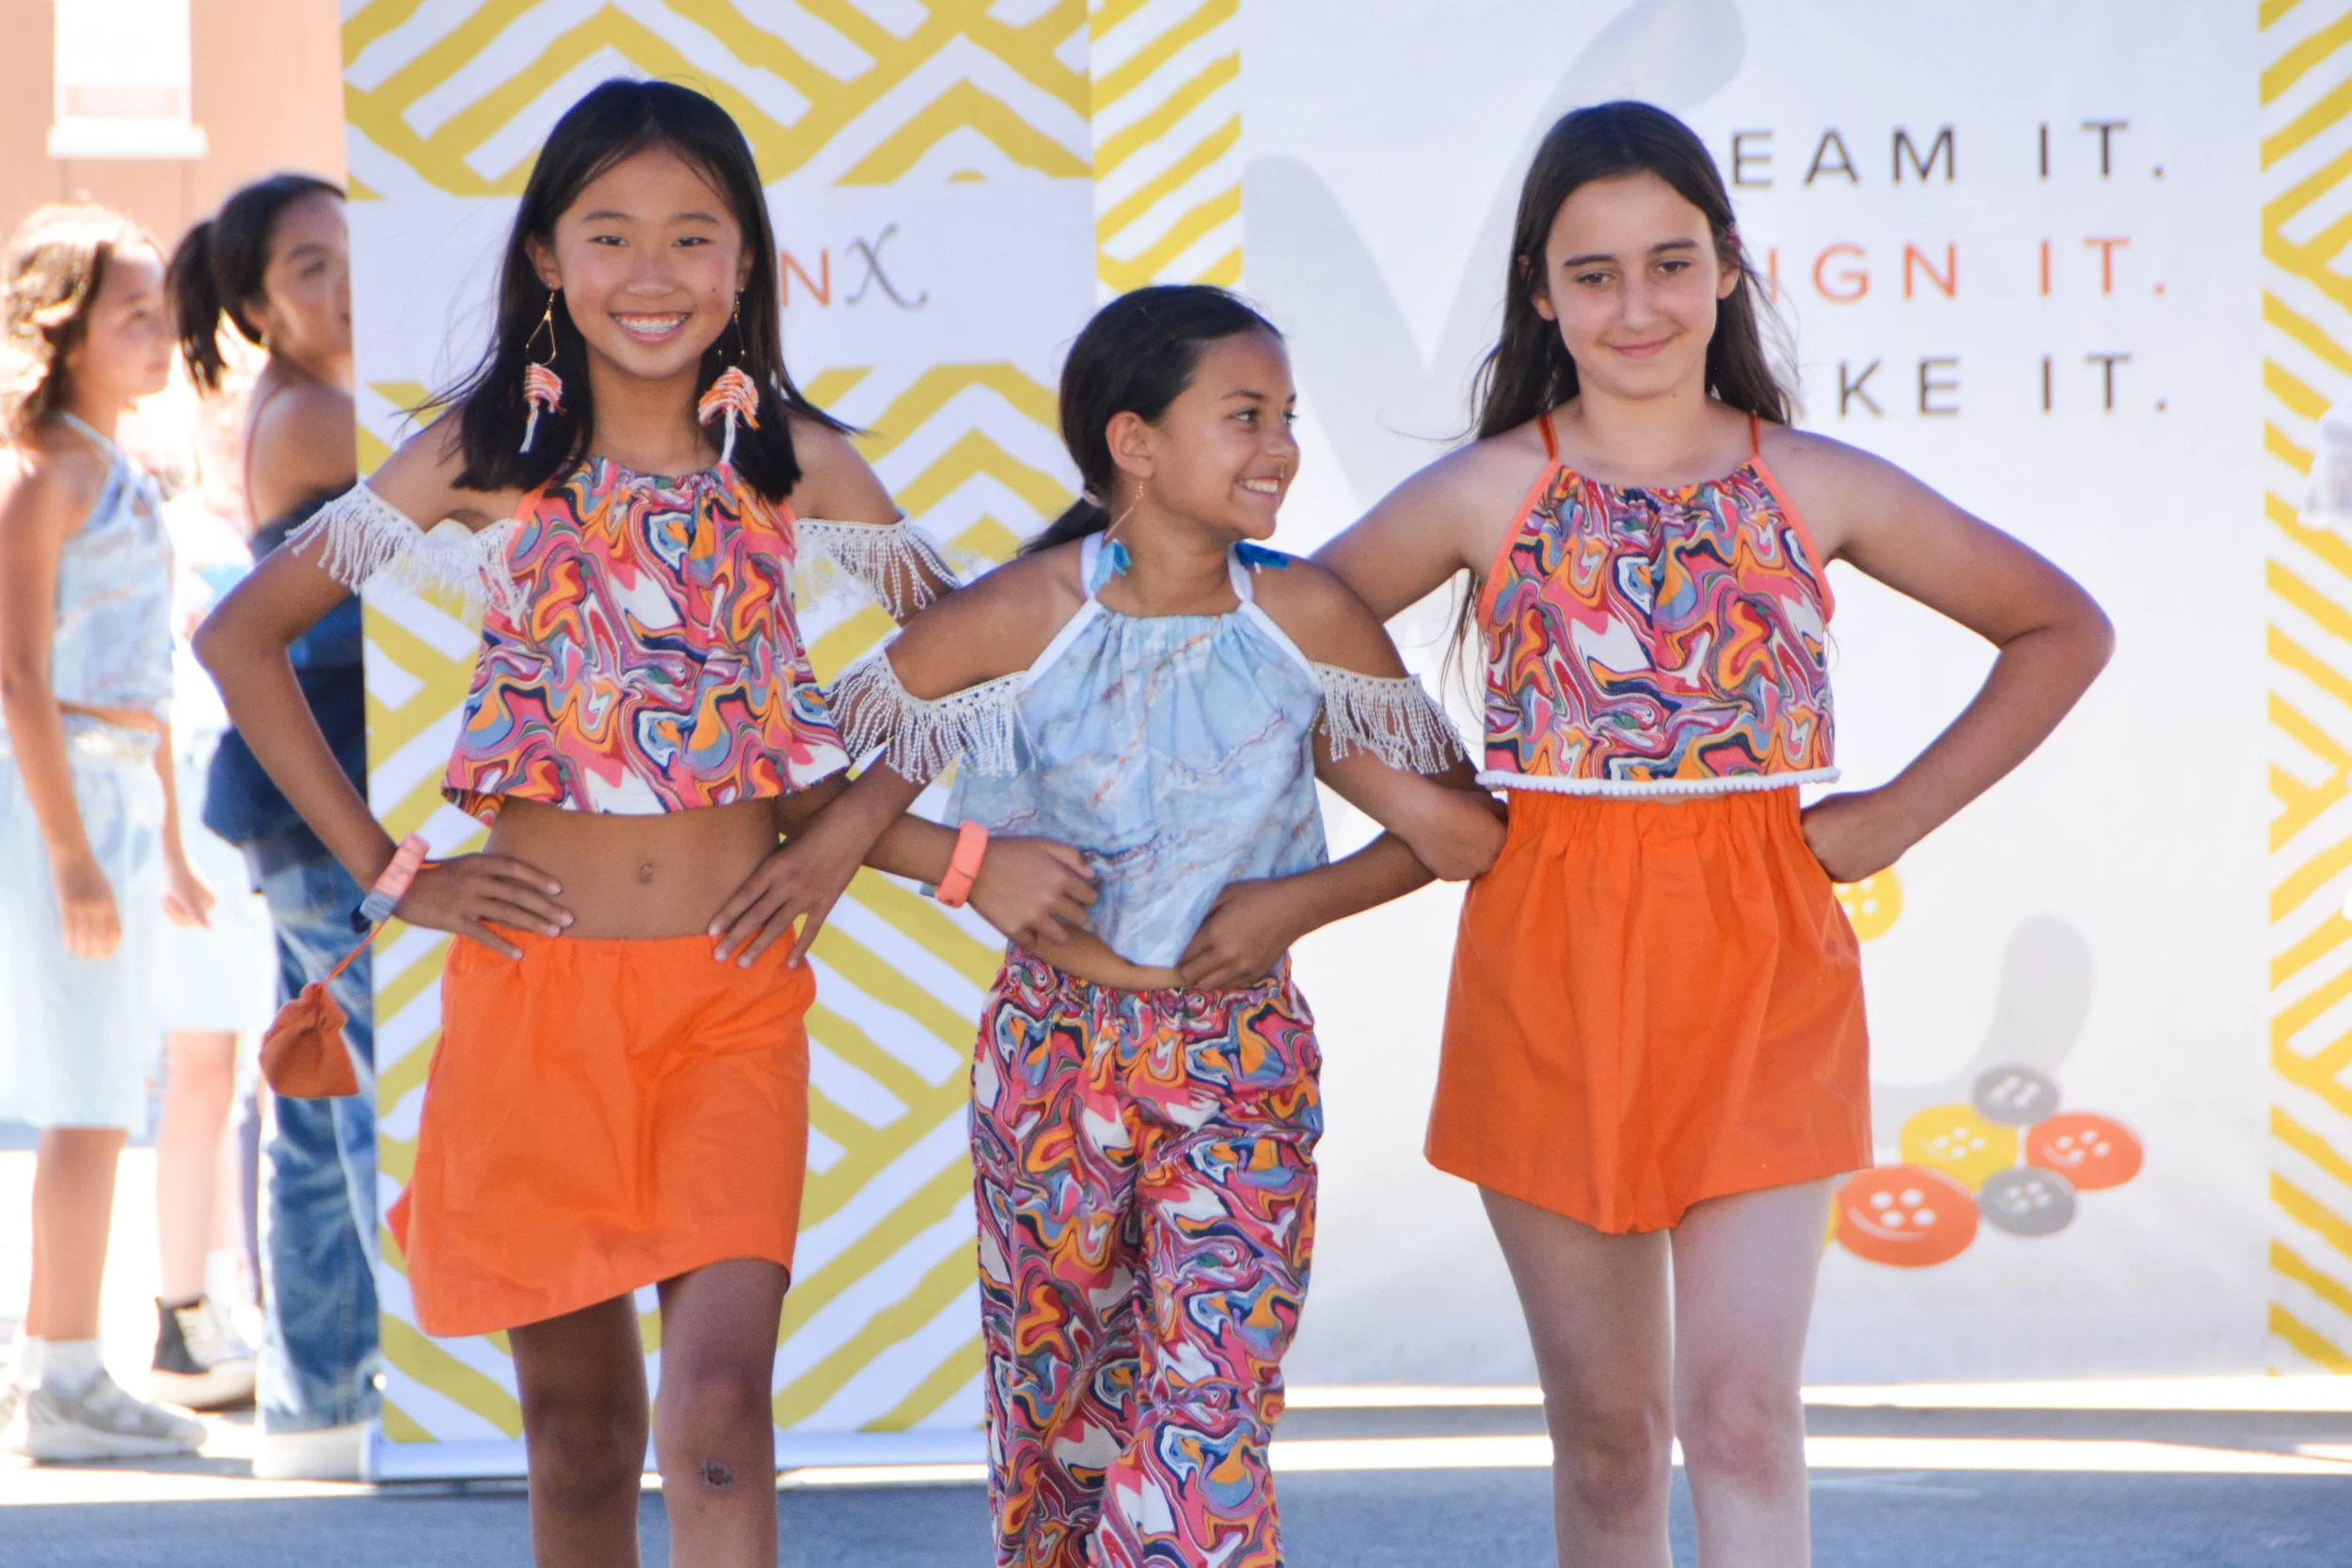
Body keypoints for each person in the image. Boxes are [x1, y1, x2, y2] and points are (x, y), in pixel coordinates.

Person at [196, 79, 1089, 1567]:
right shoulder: (480, 457)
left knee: (722, 1414)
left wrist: (842, 839)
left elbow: (972, 652)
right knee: (581, 1437)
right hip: (532, 1003)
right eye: (609, 235)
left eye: (693, 234)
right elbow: (242, 637)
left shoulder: (795, 460)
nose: (653, 272)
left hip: (731, 1003)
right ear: (548, 257)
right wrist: (391, 871)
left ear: (748, 261)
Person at [1312, 102, 2115, 1567]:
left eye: (1670, 262)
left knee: (1743, 1415)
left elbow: (2061, 626)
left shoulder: (1812, 482)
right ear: (1540, 294)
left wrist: (1895, 814)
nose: (1638, 305)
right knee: (1611, 1441)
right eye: (1595, 272)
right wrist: (1425, 803)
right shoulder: (1488, 491)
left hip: (1763, 964)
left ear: (1729, 268)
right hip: (1548, 964)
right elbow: (1275, 643)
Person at [790, 284, 1509, 1568]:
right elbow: (799, 795)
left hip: (1242, 1062)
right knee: (1057, 1438)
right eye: (1246, 416)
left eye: (1287, 417)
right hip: (1049, 1062)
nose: (1281, 447)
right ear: (1135, 440)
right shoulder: (1018, 616)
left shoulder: (1306, 619)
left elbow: (1465, 833)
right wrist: (972, 864)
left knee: (1208, 1426)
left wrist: (1300, 894)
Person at [170, 169, 381, 1479]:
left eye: (352, 253)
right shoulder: (315, 416)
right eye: (311, 267)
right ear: (255, 306)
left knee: (318, 1091)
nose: (345, 284)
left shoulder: (311, 402)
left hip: (304, 797)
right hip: (323, 799)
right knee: (361, 1090)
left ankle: (317, 1407)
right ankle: (393, 1389)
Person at [0, 203, 209, 1461]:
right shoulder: (46, 476)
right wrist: (75, 853)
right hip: (63, 796)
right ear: (66, 330)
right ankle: (65, 1377)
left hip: (121, 792)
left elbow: (152, 678)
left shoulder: (116, 465)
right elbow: (21, 674)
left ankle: (67, 1365)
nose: (160, 334)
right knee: (86, 1096)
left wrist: (168, 841)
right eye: (134, 314)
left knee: (108, 1085)